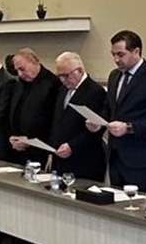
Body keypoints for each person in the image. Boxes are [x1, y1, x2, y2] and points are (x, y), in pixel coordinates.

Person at [93, 30, 146, 192]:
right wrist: (97, 122)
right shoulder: (114, 76)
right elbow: (110, 109)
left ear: (136, 51)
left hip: (142, 157)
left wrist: (129, 127)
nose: (116, 59)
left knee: (140, 203)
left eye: (121, 54)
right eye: (113, 54)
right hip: (115, 155)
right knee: (116, 201)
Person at [46, 51, 108, 182]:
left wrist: (72, 146)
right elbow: (57, 121)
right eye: (59, 76)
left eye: (65, 75)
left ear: (79, 71)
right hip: (60, 159)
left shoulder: (95, 91)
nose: (62, 80)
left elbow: (96, 129)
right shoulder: (63, 90)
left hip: (84, 161)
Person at [6, 48, 61, 161]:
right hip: (17, 148)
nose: (20, 74)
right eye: (17, 70)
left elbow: (52, 121)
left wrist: (29, 140)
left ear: (34, 62)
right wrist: (12, 136)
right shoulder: (19, 84)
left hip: (40, 150)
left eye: (22, 69)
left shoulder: (52, 84)